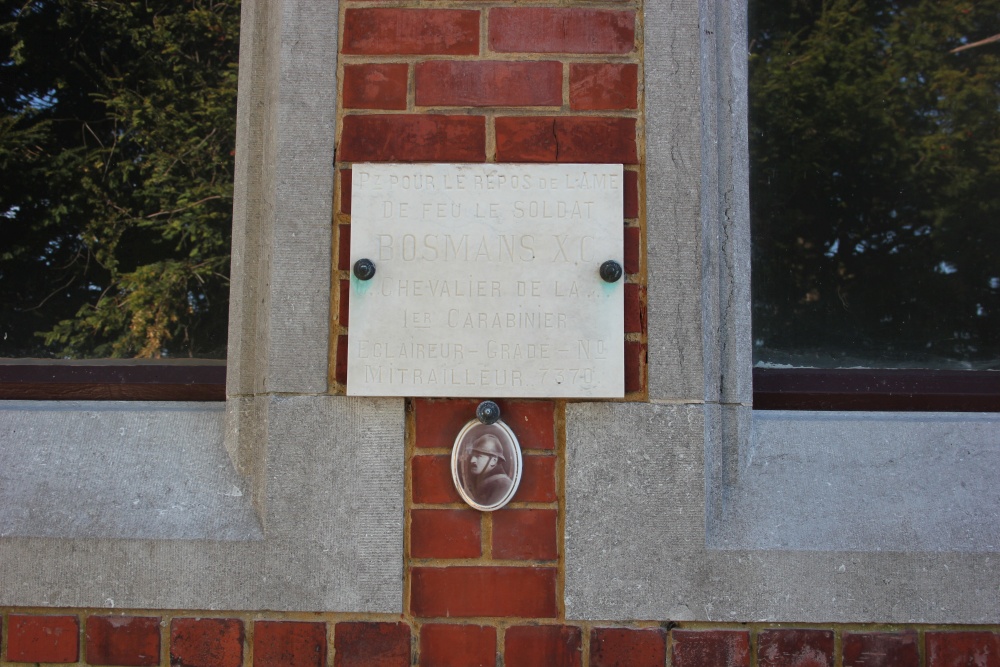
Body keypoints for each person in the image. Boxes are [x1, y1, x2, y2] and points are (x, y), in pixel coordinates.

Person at [467, 433, 514, 506]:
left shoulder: (503, 486)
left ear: (494, 461)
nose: (472, 460)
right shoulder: (486, 482)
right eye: (473, 455)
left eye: (479, 456)